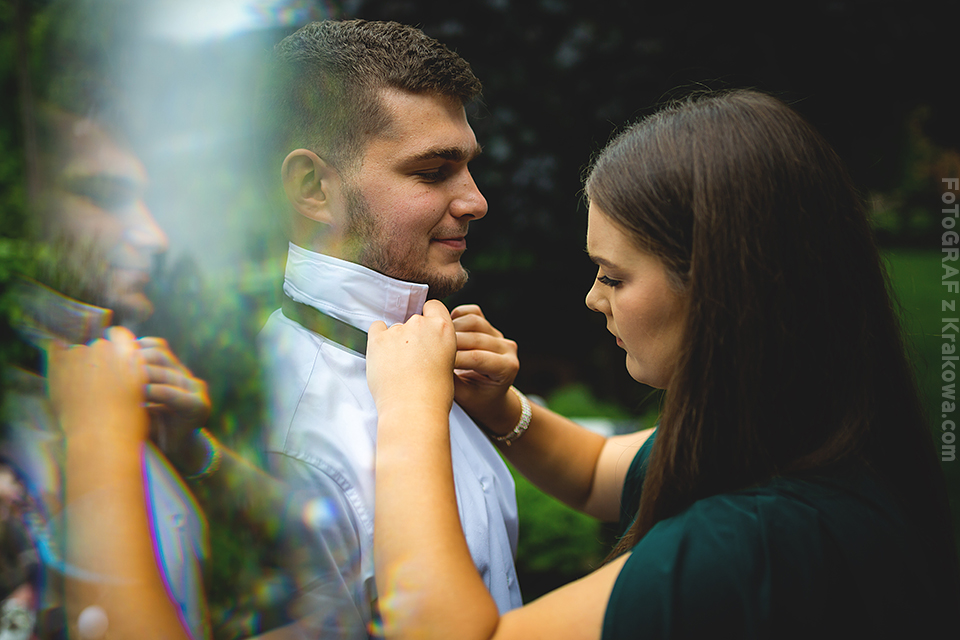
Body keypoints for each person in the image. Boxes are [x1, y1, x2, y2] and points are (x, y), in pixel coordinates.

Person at [363, 89, 960, 639]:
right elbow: (596, 470)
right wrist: (502, 409)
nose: (593, 298)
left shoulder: (748, 545)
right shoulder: (795, 433)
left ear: (723, 289)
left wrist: (410, 410)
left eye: (614, 277)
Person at [257, 19, 522, 638]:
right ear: (313, 189)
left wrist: (506, 415)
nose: (476, 201)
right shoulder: (290, 439)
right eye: (433, 171)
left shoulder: (449, 367)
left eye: (468, 166)